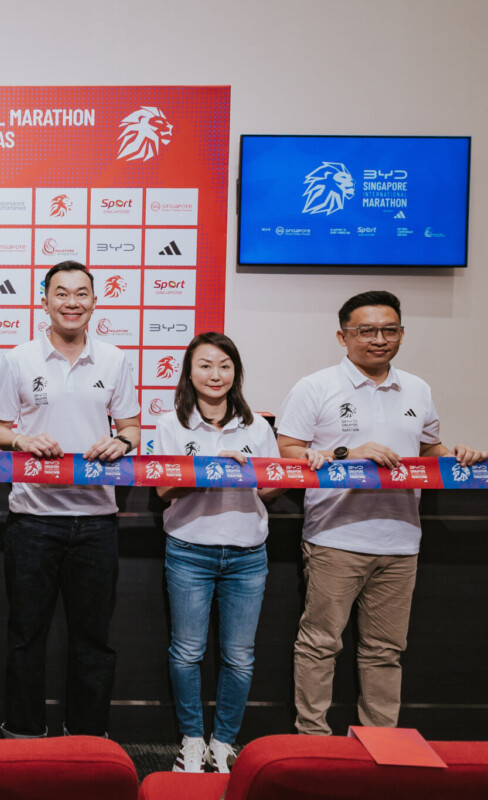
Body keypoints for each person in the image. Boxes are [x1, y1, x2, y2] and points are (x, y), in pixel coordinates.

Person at [277, 290, 487, 735]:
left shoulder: (418, 388)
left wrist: (457, 456)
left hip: (401, 540)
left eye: (389, 330)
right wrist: (347, 453)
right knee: (319, 644)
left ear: (401, 334)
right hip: (336, 538)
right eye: (365, 330)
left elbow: (428, 447)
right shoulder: (316, 387)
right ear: (343, 336)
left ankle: (380, 744)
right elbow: (287, 452)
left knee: (386, 650)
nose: (378, 339)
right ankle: (313, 739)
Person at [0, 260, 141, 739]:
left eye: (81, 294)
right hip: (33, 519)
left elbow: (132, 427)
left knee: (93, 640)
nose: (71, 302)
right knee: (25, 637)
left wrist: (124, 442)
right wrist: (20, 441)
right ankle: (25, 735)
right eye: (61, 293)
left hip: (96, 520)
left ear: (94, 302)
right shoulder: (19, 359)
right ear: (45, 300)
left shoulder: (115, 360)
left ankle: (88, 737)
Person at [153, 333, 284, 773]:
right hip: (190, 549)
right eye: (206, 365)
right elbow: (164, 489)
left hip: (248, 553)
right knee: (187, 651)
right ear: (190, 372)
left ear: (236, 372)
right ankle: (191, 739)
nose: (216, 375)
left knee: (239, 655)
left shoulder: (258, 426)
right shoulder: (172, 423)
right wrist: (210, 472)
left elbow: (270, 489)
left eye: (225, 365)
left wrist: (256, 475)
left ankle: (224, 741)